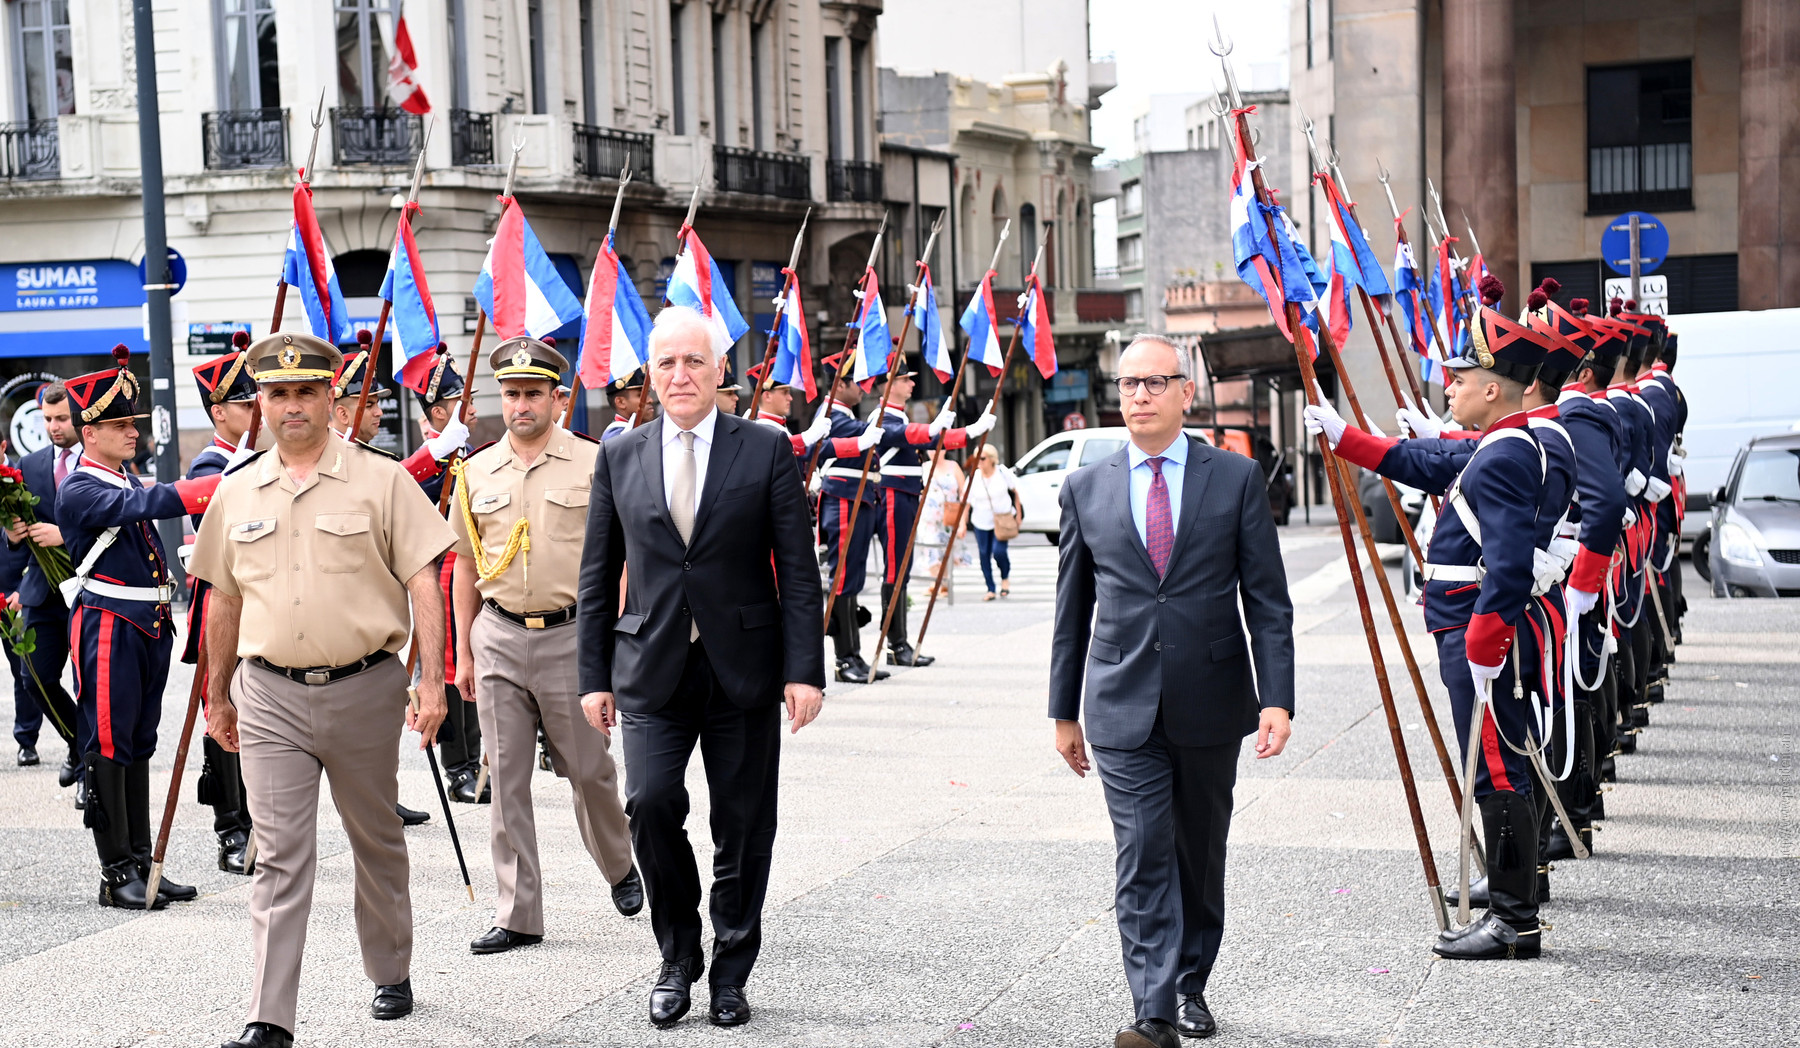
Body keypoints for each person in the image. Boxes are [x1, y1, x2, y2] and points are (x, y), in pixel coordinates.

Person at [190, 332, 457, 1048]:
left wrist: (432, 682)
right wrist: (217, 696)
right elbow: (222, 598)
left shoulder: (383, 479)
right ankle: (270, 1018)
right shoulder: (238, 488)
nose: (292, 405)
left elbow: (424, 579)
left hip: (365, 687)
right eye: (277, 394)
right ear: (261, 404)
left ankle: (390, 968)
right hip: (268, 694)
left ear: (329, 398)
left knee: (375, 839)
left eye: (306, 391)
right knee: (279, 854)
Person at [575, 305, 825, 1030]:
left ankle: (731, 969)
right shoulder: (619, 455)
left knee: (744, 824)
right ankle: (678, 954)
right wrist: (593, 676)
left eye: (694, 362)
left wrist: (803, 670)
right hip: (649, 667)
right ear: (650, 376)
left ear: (721, 370)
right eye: (666, 364)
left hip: (743, 667)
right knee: (650, 804)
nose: (679, 375)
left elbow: (799, 574)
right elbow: (598, 575)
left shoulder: (766, 450)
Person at [1051, 334, 1294, 1048]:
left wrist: (1275, 696)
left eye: (1155, 383)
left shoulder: (1234, 478)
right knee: (1143, 850)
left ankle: (1191, 982)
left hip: (1212, 698)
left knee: (1197, 852)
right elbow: (1071, 610)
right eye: (1128, 385)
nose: (1139, 397)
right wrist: (1062, 711)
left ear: (1186, 394)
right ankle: (1154, 1009)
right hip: (1120, 703)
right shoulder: (1087, 484)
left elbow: (1268, 600)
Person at [1307, 299, 1558, 962]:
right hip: (1474, 629)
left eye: (1460, 378)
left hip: (1478, 634)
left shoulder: (1504, 454)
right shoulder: (1499, 445)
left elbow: (1504, 566)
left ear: (1492, 388)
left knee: (1498, 772)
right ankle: (1517, 895)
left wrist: (1482, 643)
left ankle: (1513, 921)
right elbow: (1423, 462)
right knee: (1503, 767)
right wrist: (1344, 435)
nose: (1449, 388)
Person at [450, 335, 643, 955]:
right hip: (500, 634)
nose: (521, 404)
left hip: (573, 636)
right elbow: (460, 566)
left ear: (558, 399)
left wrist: (612, 647)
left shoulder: (595, 462)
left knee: (589, 770)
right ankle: (519, 913)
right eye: (511, 393)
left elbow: (619, 561)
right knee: (504, 781)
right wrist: (462, 654)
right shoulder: (474, 471)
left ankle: (619, 864)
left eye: (534, 393)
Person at [58, 346, 228, 910]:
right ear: (91, 431)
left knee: (139, 742)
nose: (132, 432)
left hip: (147, 623)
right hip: (108, 624)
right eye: (119, 424)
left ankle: (141, 860)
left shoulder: (122, 474)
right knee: (108, 742)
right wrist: (222, 485)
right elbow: (151, 503)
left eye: (132, 422)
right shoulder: (81, 486)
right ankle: (115, 873)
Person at [186, 337, 263, 874]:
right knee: (223, 713)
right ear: (219, 412)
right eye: (244, 403)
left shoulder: (262, 458)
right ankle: (230, 829)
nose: (255, 409)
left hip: (265, 603)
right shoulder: (209, 464)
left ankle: (260, 819)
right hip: (224, 603)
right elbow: (209, 527)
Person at [865, 364, 995, 664]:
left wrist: (972, 431)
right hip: (894, 494)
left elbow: (932, 440)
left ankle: (899, 642)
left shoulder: (898, 414)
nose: (912, 384)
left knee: (903, 567)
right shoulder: (881, 416)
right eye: (904, 379)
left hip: (907, 494)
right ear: (887, 385)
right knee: (896, 568)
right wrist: (934, 428)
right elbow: (908, 435)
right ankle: (895, 645)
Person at [412, 352, 486, 804]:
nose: (473, 407)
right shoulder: (430, 458)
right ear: (439, 411)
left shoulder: (469, 453)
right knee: (444, 668)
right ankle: (456, 766)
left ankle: (474, 761)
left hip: (471, 571)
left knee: (471, 662)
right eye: (463, 399)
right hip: (436, 574)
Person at [3, 382, 84, 798]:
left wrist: (64, 536)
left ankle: (92, 770)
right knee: (34, 678)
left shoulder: (98, 461)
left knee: (89, 682)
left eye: (62, 419)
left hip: (89, 588)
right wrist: (14, 534)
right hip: (41, 590)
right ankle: (78, 743)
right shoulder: (30, 465)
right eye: (48, 419)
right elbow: (15, 533)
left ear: (79, 416)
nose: (55, 427)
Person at [811, 362, 888, 683]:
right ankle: (844, 660)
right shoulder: (831, 417)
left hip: (858, 496)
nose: (864, 387)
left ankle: (853, 655)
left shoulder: (844, 415)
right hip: (843, 499)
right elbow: (855, 436)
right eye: (857, 382)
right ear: (839, 384)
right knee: (843, 579)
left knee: (853, 578)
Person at [917, 445, 974, 594]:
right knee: (930, 547)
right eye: (930, 449)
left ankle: (944, 583)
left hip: (949, 518)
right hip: (928, 518)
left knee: (946, 552)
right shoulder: (923, 467)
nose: (933, 452)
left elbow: (964, 495)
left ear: (945, 450)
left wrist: (963, 522)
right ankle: (936, 582)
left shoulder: (953, 467)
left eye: (937, 449)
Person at [966, 445, 1021, 601]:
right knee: (984, 554)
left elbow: (1016, 492)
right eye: (976, 458)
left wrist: (1019, 514)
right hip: (980, 521)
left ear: (991, 459)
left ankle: (1005, 578)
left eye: (982, 458)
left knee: (999, 552)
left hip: (1002, 520)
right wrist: (962, 524)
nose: (979, 462)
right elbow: (966, 502)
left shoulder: (1002, 472)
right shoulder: (974, 477)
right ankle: (990, 588)